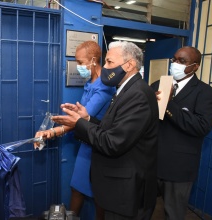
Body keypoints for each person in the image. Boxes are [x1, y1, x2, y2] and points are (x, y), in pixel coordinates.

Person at [51, 41, 159, 220]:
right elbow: (111, 128)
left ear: (129, 65)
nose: (105, 67)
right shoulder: (126, 90)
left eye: (109, 62)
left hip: (127, 192)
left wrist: (79, 123)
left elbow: (113, 142)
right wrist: (87, 119)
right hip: (118, 186)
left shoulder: (137, 95)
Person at [34, 41, 116, 220]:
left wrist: (54, 132)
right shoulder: (91, 82)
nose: (78, 66)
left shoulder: (104, 86)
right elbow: (80, 116)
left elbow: (81, 120)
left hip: (99, 147)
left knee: (98, 196)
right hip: (87, 145)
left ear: (93, 60)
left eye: (80, 62)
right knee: (77, 188)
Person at [150, 46, 212, 220]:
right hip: (151, 162)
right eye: (175, 59)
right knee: (141, 210)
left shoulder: (207, 94)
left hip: (179, 168)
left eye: (183, 61)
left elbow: (200, 127)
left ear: (195, 66)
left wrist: (169, 104)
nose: (175, 64)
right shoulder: (157, 85)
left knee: (173, 214)